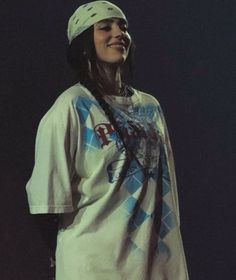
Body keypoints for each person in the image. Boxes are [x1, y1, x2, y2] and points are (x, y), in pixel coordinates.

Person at [26, 1, 189, 279]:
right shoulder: (72, 107)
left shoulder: (150, 107)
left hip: (154, 262)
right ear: (84, 42)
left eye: (123, 27)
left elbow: (166, 186)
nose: (118, 33)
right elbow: (46, 203)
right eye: (105, 27)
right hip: (95, 265)